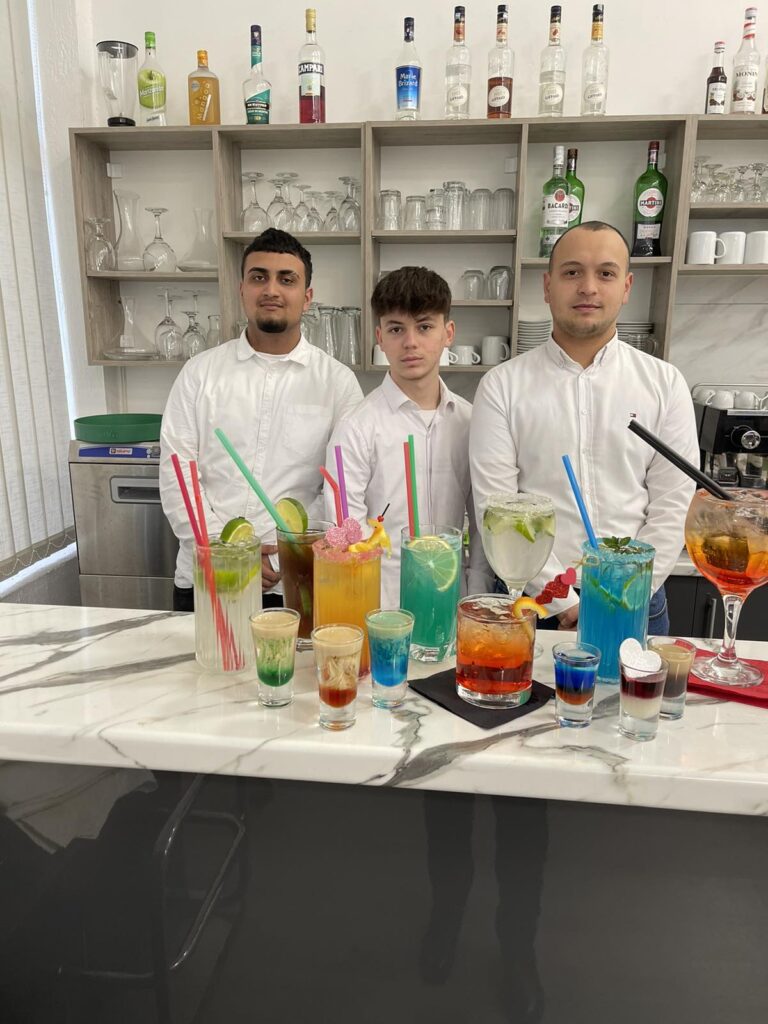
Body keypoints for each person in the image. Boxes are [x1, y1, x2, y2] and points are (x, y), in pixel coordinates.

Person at [469, 221, 699, 634]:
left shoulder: (665, 383)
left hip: (636, 600)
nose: (588, 287)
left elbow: (673, 504)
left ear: (626, 287)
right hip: (536, 604)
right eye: (572, 272)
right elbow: (498, 508)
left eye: (606, 273)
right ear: (547, 286)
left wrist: (624, 593)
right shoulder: (501, 386)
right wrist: (564, 600)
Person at [160, 229, 363, 611]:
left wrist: (284, 553)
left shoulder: (338, 383)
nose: (271, 289)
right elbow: (178, 477)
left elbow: (341, 488)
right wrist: (228, 550)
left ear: (307, 297)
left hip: (295, 583)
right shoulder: (199, 374)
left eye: (286, 279)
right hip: (208, 578)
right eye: (259, 277)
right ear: (242, 289)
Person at [324, 265, 493, 608]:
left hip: (453, 599)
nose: (410, 342)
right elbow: (347, 532)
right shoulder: (356, 427)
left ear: (448, 333)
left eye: (424, 327)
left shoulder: (472, 421)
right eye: (396, 329)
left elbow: (483, 521)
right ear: (380, 336)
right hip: (381, 607)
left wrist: (475, 597)